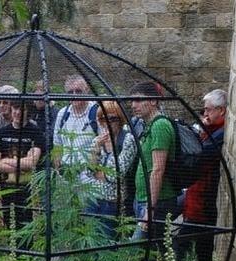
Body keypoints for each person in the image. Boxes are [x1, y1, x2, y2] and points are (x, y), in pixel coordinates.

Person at [181, 88, 227, 261]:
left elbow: (198, 156)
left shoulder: (220, 133)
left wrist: (200, 130)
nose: (204, 114)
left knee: (188, 250)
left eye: (207, 109)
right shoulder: (212, 131)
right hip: (196, 201)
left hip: (204, 204)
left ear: (221, 110)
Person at [129, 80, 178, 245]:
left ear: (153, 101)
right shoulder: (147, 125)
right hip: (143, 199)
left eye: (138, 100)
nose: (133, 105)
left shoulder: (160, 126)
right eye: (132, 101)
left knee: (145, 251)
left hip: (157, 202)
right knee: (146, 252)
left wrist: (150, 209)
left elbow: (158, 169)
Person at [0, 98, 42, 228]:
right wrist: (20, 165)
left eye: (22, 109)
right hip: (5, 191)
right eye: (15, 108)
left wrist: (5, 161)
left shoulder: (35, 132)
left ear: (28, 111)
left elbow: (32, 163)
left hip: (28, 192)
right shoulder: (1, 133)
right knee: (5, 227)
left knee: (27, 229)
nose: (18, 112)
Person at [89, 100, 137, 232]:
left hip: (114, 202)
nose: (107, 123)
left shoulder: (128, 140)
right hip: (93, 199)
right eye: (103, 119)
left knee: (109, 239)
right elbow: (88, 171)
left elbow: (114, 175)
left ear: (120, 119)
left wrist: (98, 172)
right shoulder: (97, 140)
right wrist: (96, 150)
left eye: (112, 119)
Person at [53, 74, 98, 173]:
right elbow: (57, 145)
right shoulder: (62, 114)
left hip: (89, 174)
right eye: (70, 92)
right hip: (66, 173)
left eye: (78, 91)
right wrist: (57, 171)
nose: (74, 95)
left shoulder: (96, 112)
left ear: (87, 90)